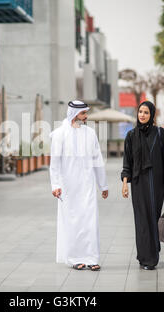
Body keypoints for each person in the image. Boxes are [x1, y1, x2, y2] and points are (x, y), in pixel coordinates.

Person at [49, 100, 109, 271]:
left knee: (90, 220)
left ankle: (92, 257)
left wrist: (102, 185)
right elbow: (55, 163)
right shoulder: (59, 134)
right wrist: (56, 185)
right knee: (72, 221)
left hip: (88, 184)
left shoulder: (90, 133)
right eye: (83, 113)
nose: (86, 116)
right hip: (68, 186)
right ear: (74, 114)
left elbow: (98, 160)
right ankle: (74, 258)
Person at [120, 101, 164, 270]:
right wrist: (125, 184)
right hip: (138, 184)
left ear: (151, 115)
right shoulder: (131, 135)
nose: (142, 115)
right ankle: (144, 256)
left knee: (152, 217)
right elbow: (127, 163)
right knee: (141, 220)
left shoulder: (159, 134)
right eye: (140, 112)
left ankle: (151, 257)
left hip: (155, 184)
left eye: (146, 112)